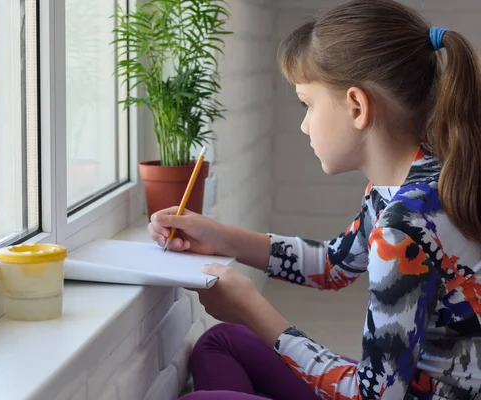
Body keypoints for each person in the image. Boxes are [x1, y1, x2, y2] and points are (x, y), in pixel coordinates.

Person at [148, 0, 481, 399]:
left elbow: (372, 395)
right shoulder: (417, 178)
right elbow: (334, 264)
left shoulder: (404, 226)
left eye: (307, 104)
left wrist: (252, 309)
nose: (304, 124)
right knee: (221, 342)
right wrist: (220, 237)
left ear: (357, 107)